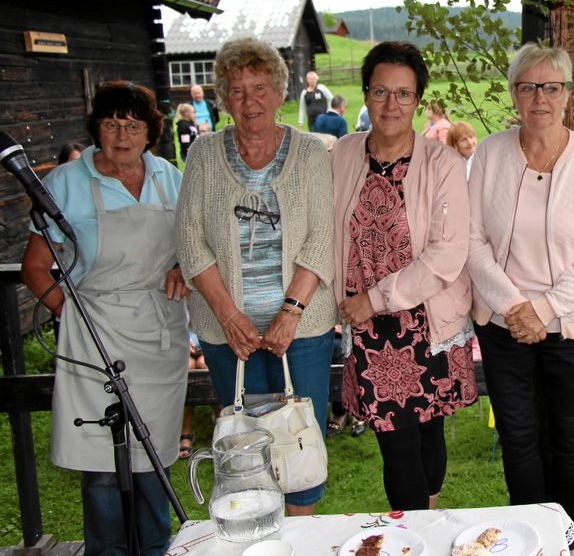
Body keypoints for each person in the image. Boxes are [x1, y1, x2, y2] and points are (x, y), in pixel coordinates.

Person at [21, 81, 188, 553]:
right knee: (100, 465)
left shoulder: (169, 178)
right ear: (97, 127)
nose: (122, 135)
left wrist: (182, 266)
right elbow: (35, 267)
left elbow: (197, 244)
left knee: (154, 458)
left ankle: (156, 548)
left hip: (157, 334)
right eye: (112, 124)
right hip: (93, 336)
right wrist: (71, 316)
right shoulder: (65, 184)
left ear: (149, 131)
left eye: (133, 125)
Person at [176, 37, 337, 517]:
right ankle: (259, 536)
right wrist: (227, 315)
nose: (250, 101)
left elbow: (322, 237)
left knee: (300, 442)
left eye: (261, 87)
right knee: (246, 447)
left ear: (280, 91)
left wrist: (290, 313)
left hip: (303, 328)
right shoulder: (204, 155)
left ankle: (301, 536)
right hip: (228, 333)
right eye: (238, 90)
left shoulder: (309, 153)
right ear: (224, 98)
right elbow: (189, 239)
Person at [466, 42, 574, 541]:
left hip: (571, 325)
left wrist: (546, 308)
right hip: (502, 323)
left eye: (551, 87)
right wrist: (515, 307)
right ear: (514, 94)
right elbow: (471, 239)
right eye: (528, 87)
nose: (540, 98)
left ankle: (567, 539)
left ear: (568, 95)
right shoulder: (489, 154)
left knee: (570, 439)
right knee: (518, 437)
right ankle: (529, 539)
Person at [331, 41, 477, 511]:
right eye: (380, 92)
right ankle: (415, 534)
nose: (391, 105)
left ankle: (425, 523)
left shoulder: (443, 164)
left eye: (404, 94)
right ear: (365, 94)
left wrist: (373, 298)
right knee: (397, 446)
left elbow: (447, 253)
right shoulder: (340, 156)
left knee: (429, 428)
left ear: (418, 99)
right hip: (371, 331)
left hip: (425, 320)